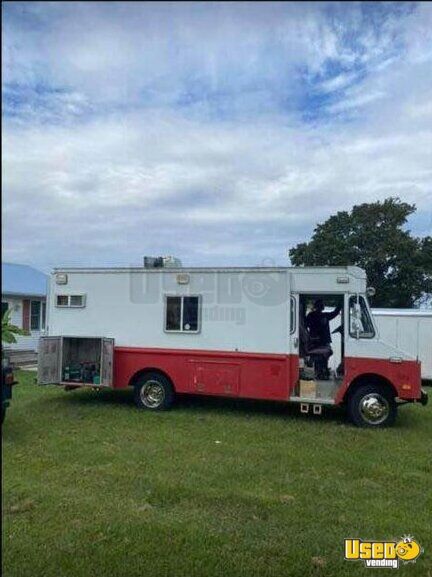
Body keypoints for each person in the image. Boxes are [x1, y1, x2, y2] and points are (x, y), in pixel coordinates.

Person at [305, 299, 342, 378]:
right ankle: (320, 372)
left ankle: (323, 371)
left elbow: (335, 313)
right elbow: (306, 326)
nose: (320, 308)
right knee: (321, 357)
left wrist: (340, 304)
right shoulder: (311, 316)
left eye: (321, 306)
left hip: (323, 342)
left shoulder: (324, 316)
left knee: (325, 356)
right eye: (319, 306)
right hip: (315, 343)